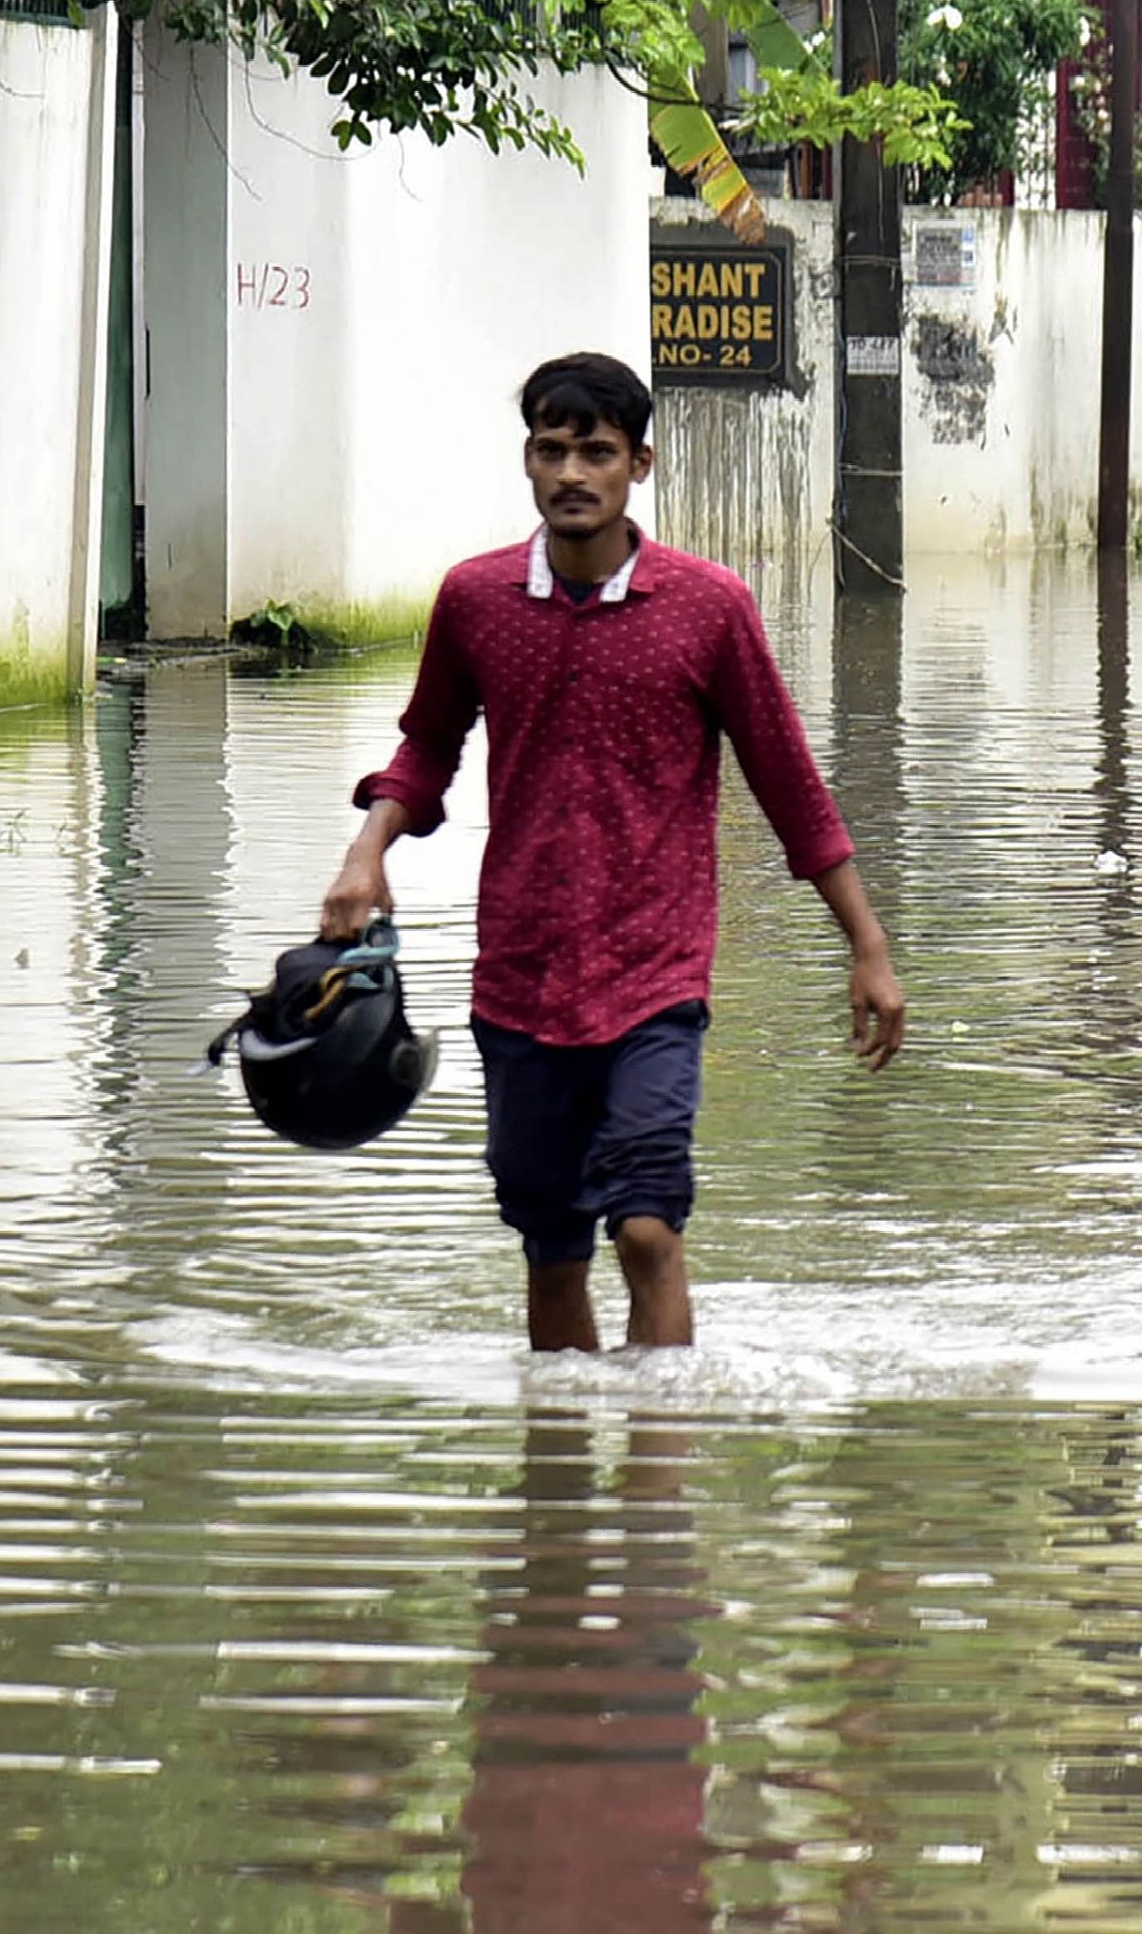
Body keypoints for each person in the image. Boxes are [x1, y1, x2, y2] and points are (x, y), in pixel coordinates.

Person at [320, 352, 904, 1354]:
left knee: (644, 1226)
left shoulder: (707, 607)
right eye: (553, 450)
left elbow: (788, 785)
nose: (572, 472)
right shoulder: (476, 600)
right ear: (528, 462)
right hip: (521, 973)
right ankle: (556, 1489)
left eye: (596, 451)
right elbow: (427, 746)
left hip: (655, 973)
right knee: (550, 1246)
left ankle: (654, 1495)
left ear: (639, 464)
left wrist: (868, 947)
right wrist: (366, 850)